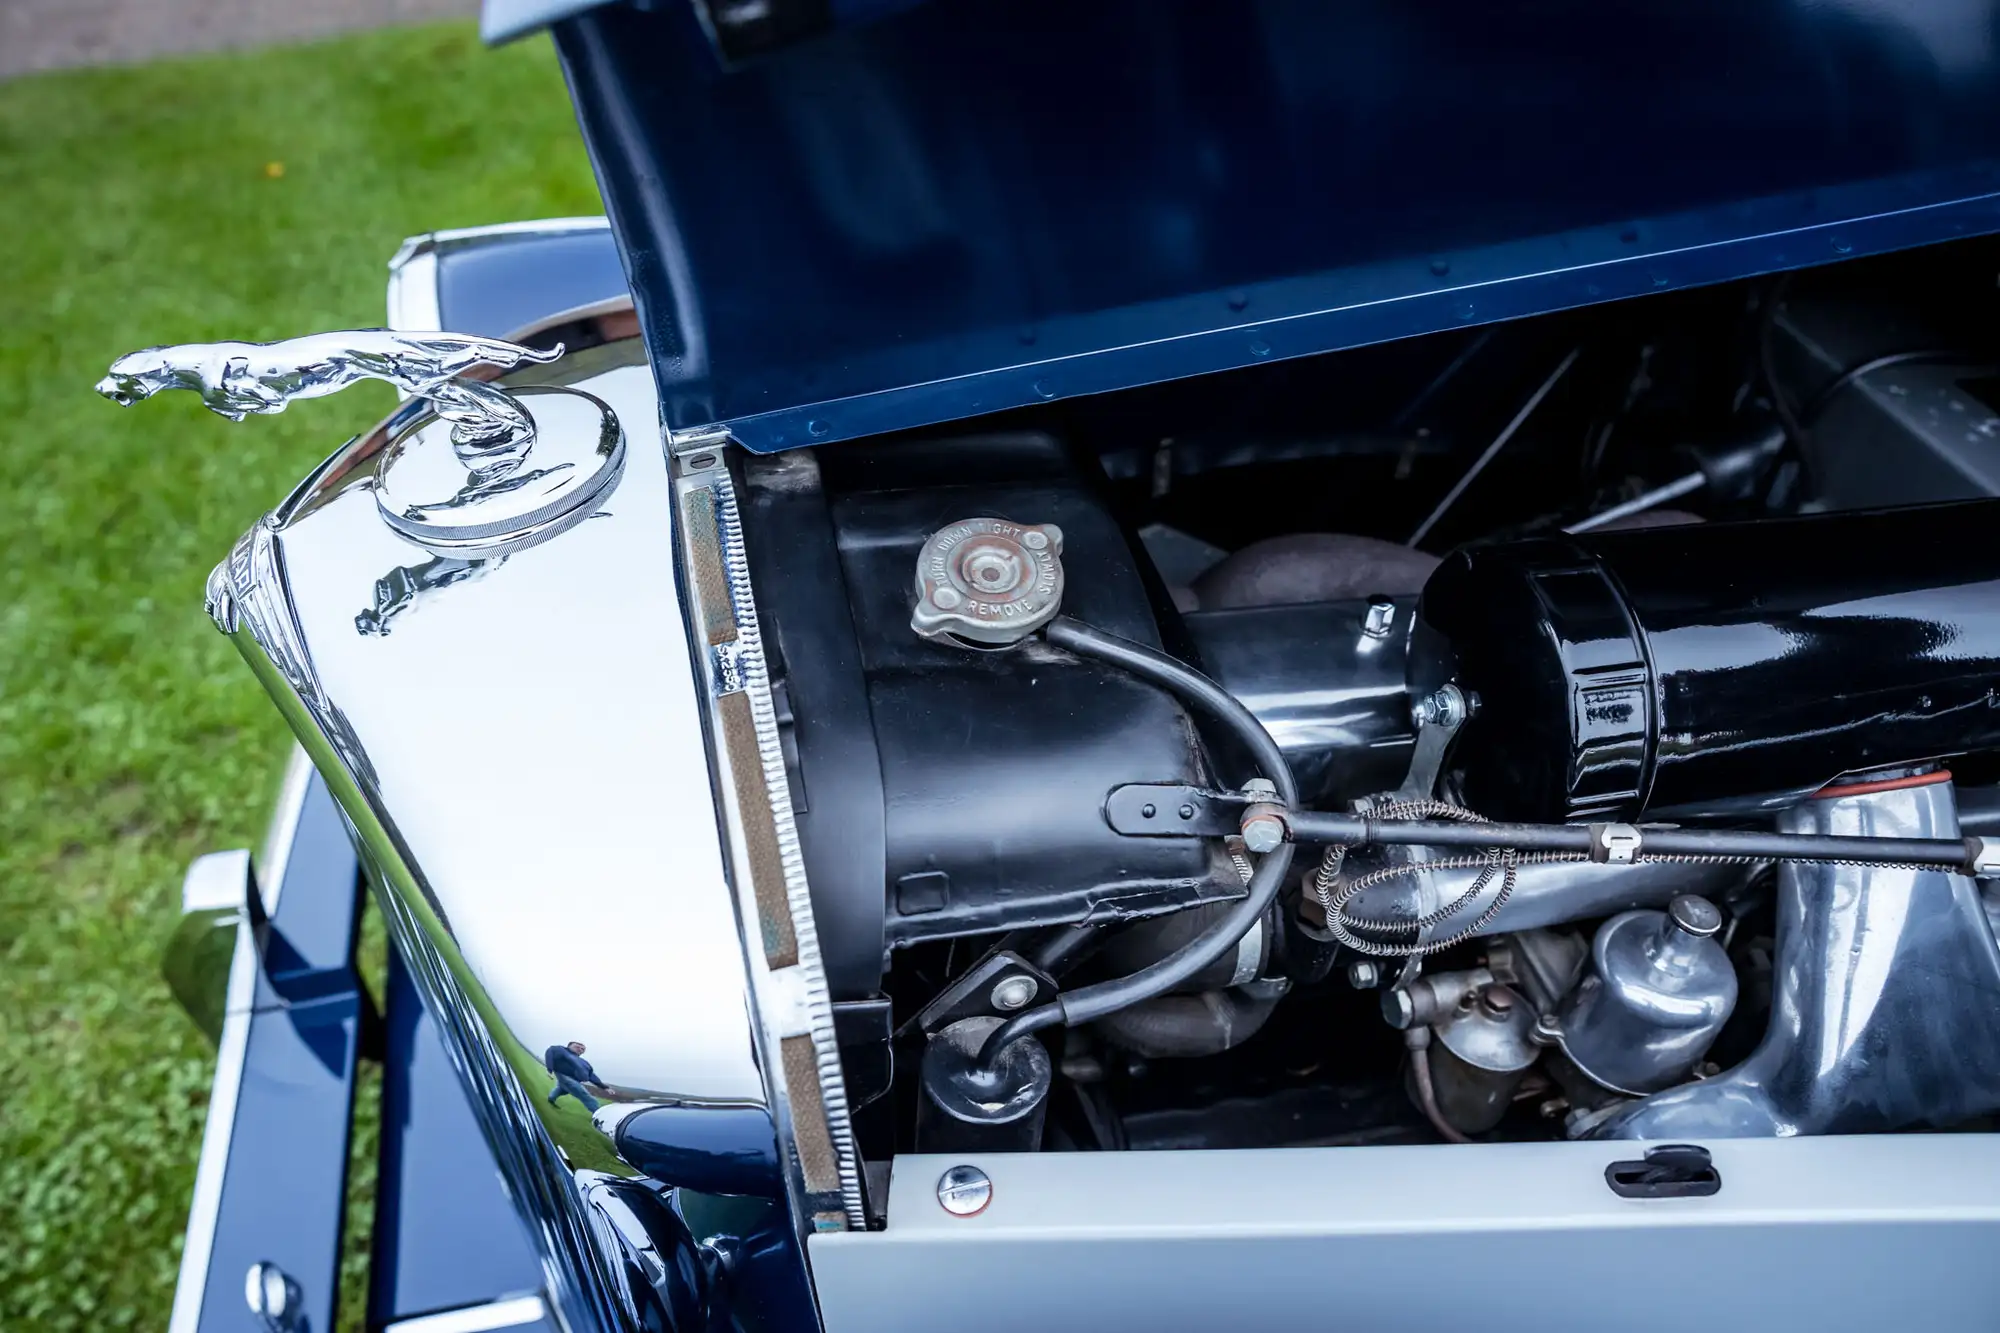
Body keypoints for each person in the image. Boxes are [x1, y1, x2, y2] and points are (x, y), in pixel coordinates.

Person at [544, 1040, 604, 1112]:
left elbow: (591, 1075)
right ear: (569, 1046)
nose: (580, 1049)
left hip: (574, 1080)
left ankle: (551, 1098)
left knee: (562, 1090)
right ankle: (598, 1113)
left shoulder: (582, 1062)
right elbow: (550, 1052)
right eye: (577, 1047)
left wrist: (605, 1087)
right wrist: (549, 1069)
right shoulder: (560, 1050)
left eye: (582, 1049)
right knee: (584, 1095)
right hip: (563, 1076)